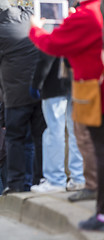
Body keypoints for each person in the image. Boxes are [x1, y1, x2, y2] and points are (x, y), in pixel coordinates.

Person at [29, 0, 103, 230]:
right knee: (81, 136)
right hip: (81, 88)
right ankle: (83, 183)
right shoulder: (95, 11)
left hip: (87, 87)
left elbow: (51, 46)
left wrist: (35, 28)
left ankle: (60, 180)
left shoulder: (85, 16)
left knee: (84, 141)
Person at [0, 0, 46, 193]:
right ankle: (37, 181)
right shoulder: (28, 15)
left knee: (16, 138)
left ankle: (17, 184)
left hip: (16, 94)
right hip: (42, 88)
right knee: (37, 138)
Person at [29, 52, 84, 193]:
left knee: (54, 131)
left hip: (54, 82)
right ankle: (78, 178)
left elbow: (46, 53)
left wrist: (36, 83)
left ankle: (55, 180)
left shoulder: (51, 28)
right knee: (75, 131)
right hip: (78, 79)